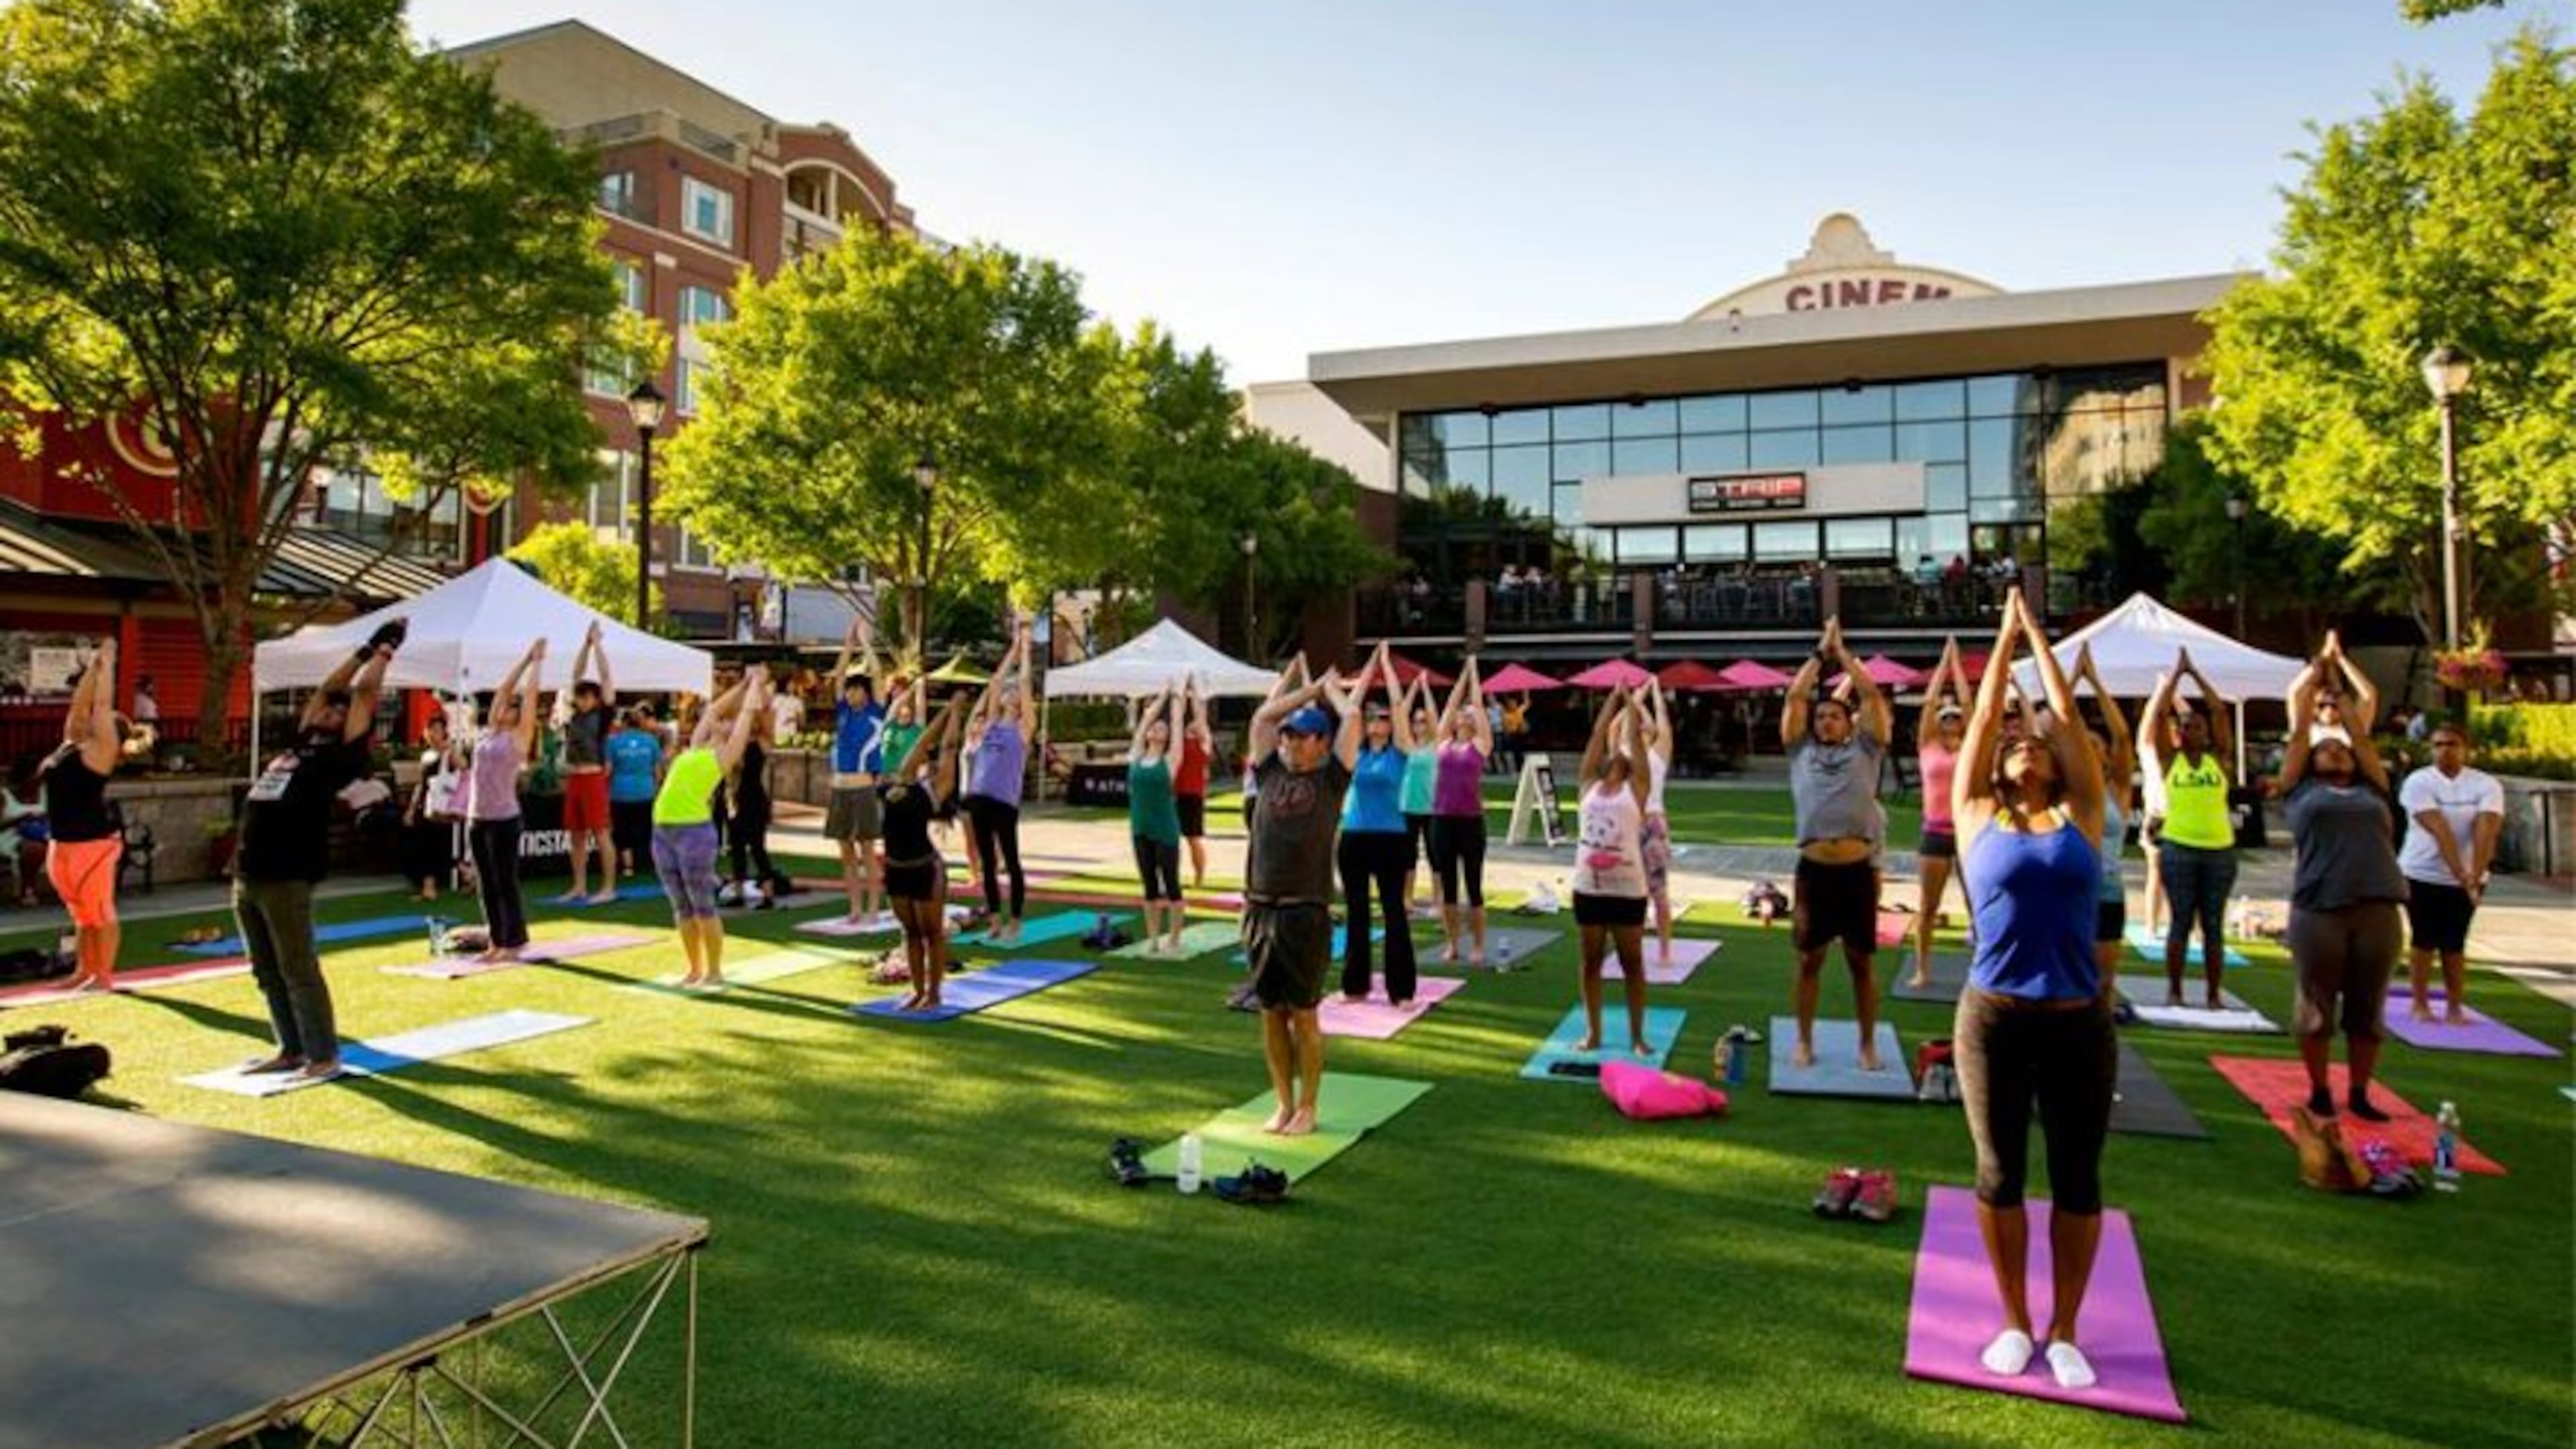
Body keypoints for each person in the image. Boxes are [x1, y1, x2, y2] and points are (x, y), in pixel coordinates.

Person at [1950, 586, 2114, 1393]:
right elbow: (1982, 724)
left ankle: (2067, 1327)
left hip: (2080, 1021)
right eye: (2013, 745)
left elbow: (2071, 723)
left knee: (2078, 1177)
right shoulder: (1978, 810)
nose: (2022, 746)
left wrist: (2037, 641)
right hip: (1995, 1020)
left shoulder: (2082, 816)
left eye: (2033, 744)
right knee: (1999, 1172)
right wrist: (2000, 642)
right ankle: (2015, 1319)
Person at [235, 621, 402, 1079]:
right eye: (325, 709)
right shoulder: (300, 742)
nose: (327, 710)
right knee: (265, 970)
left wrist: (384, 653)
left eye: (336, 711)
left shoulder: (342, 753)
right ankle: (290, 1049)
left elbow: (363, 695)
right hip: (250, 869)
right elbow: (329, 688)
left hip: (289, 869)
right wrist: (362, 649)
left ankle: (323, 1055)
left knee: (298, 969)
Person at [2276, 633, 2406, 1121]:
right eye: (2326, 750)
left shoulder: (2373, 789)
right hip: (2319, 908)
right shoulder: (2299, 790)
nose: (2335, 752)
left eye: (2343, 752)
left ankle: (2359, 1091)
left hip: (2377, 906)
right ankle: (2319, 1090)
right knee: (2315, 1009)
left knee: (2367, 1011)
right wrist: (2318, 672)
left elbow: (2363, 734)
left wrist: (2341, 677)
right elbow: (2297, 731)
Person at [1239, 658, 1360, 1134]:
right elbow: (1262, 719)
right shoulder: (1268, 772)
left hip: (1304, 914)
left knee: (1304, 1016)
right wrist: (1307, 690)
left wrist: (1331, 693)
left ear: (1322, 745)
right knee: (1270, 1014)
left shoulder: (1331, 780)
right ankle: (1283, 1103)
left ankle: (1309, 1107)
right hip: (1259, 908)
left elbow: (1350, 719)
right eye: (1288, 736)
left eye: (1300, 736)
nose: (1288, 742)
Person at [1782, 617, 1893, 1070]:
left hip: (1856, 871)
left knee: (1861, 965)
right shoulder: (1800, 752)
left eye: (1833, 715)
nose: (1824, 720)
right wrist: (1818, 653)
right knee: (1809, 962)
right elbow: (1794, 697)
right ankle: (1804, 1041)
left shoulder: (1866, 749)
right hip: (1813, 872)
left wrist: (1843, 654)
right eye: (1820, 716)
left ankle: (1867, 1045)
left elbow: (1871, 696)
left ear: (1848, 723)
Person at [652, 672, 765, 989]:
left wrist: (754, 690)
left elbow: (743, 719)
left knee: (702, 904)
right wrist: (742, 686)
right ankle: (693, 969)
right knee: (681, 905)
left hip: (693, 834)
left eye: (729, 724)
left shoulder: (724, 756)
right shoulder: (696, 747)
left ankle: (714, 970)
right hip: (663, 831)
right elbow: (714, 711)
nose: (722, 722)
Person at [2140, 649, 2236, 1010]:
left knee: (2213, 925)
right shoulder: (2169, 761)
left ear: (2206, 732)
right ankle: (2175, 991)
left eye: (2195, 725)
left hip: (2220, 851)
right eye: (2183, 726)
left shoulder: (2220, 759)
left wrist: (2195, 674)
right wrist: (2173, 680)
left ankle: (2213, 995)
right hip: (2179, 847)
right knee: (2180, 921)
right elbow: (2158, 718)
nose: (2187, 729)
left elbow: (2221, 712)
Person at [2398, 718, 2504, 1024]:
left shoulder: (2486, 785)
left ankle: (2455, 1006)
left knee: (2454, 943)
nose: (2445, 751)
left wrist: (2476, 873)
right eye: (2438, 745)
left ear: (2466, 749)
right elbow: (2438, 828)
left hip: (2471, 877)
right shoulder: (2419, 782)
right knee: (2424, 939)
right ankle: (2420, 1003)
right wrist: (2461, 873)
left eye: (2452, 744)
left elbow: (2487, 828)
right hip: (2422, 873)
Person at [1572, 685, 1655, 1054]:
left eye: (1621, 754)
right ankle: (1593, 1033)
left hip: (1626, 889)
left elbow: (1636, 742)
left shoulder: (1636, 788)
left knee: (1631, 962)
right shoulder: (1588, 784)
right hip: (1588, 887)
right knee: (1590, 962)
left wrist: (1631, 704)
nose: (1615, 756)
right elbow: (1593, 737)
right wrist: (1610, 700)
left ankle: (1638, 1037)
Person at [41, 639, 125, 991]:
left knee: (100, 912)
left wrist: (110, 663)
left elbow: (102, 705)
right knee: (81, 914)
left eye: (99, 721)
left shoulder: (101, 754)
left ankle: (102, 976)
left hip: (92, 844)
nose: (89, 719)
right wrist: (94, 667)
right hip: (62, 841)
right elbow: (81, 704)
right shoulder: (71, 746)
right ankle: (83, 970)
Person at [1338, 643, 1418, 1002]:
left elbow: (1401, 708)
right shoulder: (1355, 753)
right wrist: (1367, 670)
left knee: (1393, 912)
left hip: (1391, 839)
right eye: (1374, 718)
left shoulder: (1400, 754)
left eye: (1383, 718)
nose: (1378, 723)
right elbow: (1350, 710)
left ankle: (1400, 990)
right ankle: (1355, 986)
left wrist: (1387, 668)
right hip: (1354, 837)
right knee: (1357, 912)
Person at [883, 693, 971, 1010]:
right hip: (895, 867)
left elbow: (948, 748)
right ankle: (917, 991)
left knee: (932, 933)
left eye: (934, 763)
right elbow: (922, 743)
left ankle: (934, 994)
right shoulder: (905, 777)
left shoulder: (936, 791)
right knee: (910, 933)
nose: (929, 763)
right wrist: (946, 709)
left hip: (924, 868)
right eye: (928, 761)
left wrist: (957, 713)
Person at [464, 639, 544, 963]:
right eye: (502, 706)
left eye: (511, 707)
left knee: (504, 881)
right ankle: (497, 940)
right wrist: (524, 659)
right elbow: (503, 689)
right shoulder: (486, 734)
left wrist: (537, 665)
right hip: (477, 816)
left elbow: (530, 699)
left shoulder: (518, 737)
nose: (504, 709)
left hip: (504, 818)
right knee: (486, 882)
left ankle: (513, 941)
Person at [962, 621, 1037, 942]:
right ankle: (994, 918)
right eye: (1007, 694)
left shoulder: (1022, 729)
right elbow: (995, 682)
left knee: (1011, 859)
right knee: (987, 862)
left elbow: (1022, 682)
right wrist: (1012, 650)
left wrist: (1027, 650)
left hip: (1004, 801)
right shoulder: (991, 724)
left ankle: (1016, 918)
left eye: (1013, 694)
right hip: (979, 797)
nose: (1008, 694)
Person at [2071, 645, 2138, 979]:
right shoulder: (2065, 790)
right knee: (2066, 979)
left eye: (2095, 746)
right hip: (2067, 888)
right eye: (2082, 747)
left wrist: (2095, 683)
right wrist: (2068, 683)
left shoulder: (2117, 791)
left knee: (2102, 982)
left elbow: (2123, 737)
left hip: (2108, 890)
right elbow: (2058, 726)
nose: (2089, 751)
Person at [1907, 638, 1970, 989]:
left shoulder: (1972, 745)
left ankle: (1982, 972)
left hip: (1967, 833)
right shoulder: (1929, 747)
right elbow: (1929, 704)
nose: (1950, 721)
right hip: (1935, 832)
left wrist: (1957, 668)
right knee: (1928, 906)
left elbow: (1969, 704)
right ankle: (1922, 969)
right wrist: (1943, 665)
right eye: (1945, 719)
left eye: (1955, 719)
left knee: (1979, 908)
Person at [825, 618, 890, 926]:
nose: (851, 694)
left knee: (867, 850)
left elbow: (877, 673)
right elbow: (838, 675)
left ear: (865, 693)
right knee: (846, 853)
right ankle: (854, 907)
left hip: (862, 787)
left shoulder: (876, 711)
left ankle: (874, 908)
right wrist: (847, 642)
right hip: (840, 788)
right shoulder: (842, 714)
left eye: (856, 690)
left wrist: (864, 642)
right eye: (849, 691)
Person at [553, 622, 620, 904]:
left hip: (593, 778)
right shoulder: (573, 715)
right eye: (579, 697)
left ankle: (608, 888)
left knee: (601, 833)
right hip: (575, 779)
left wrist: (598, 645)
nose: (581, 701)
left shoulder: (602, 715)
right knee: (576, 836)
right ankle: (579, 886)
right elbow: (574, 676)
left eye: (586, 697)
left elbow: (605, 676)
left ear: (595, 699)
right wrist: (585, 645)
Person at [1128, 678, 1189, 956]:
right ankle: (1153, 939)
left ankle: (1174, 938)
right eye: (1155, 727)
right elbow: (1146, 719)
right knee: (1149, 886)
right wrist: (1164, 694)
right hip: (1140, 828)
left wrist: (1178, 699)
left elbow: (1176, 726)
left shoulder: (1170, 760)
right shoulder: (1137, 756)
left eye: (1161, 728)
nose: (1157, 729)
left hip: (1165, 830)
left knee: (1172, 885)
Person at [723, 671, 788, 908]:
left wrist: (758, 687)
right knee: (737, 847)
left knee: (757, 847)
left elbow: (767, 714)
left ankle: (768, 895)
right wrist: (744, 686)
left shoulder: (760, 742)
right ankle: (739, 892)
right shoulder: (734, 743)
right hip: (735, 797)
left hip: (753, 798)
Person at [1637, 680, 1680, 965]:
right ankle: (1635, 947)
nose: (1642, 727)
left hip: (1652, 822)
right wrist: (1636, 698)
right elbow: (1618, 722)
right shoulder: (1624, 753)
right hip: (1629, 822)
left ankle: (1665, 950)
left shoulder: (1657, 755)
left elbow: (1664, 723)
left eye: (1645, 726)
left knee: (1659, 891)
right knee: (1632, 893)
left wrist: (1654, 690)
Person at [398, 711, 461, 902]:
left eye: (437, 730)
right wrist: (411, 808)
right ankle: (435, 883)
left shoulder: (449, 753)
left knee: (436, 846)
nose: (433, 734)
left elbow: (463, 769)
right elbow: (421, 784)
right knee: (427, 847)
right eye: (430, 730)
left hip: (442, 805)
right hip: (426, 806)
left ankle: (432, 886)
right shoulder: (426, 755)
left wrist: (449, 751)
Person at [606, 706, 665, 881]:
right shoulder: (651, 741)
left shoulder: (613, 742)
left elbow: (608, 770)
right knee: (648, 829)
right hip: (646, 791)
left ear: (623, 723)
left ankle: (628, 867)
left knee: (622, 831)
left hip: (620, 792)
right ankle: (654, 863)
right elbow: (658, 771)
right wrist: (658, 788)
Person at [1398, 676, 1440, 916]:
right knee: (1407, 858)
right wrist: (1412, 688)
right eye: (1417, 721)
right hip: (1407, 809)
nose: (1420, 725)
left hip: (1431, 809)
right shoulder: (1407, 746)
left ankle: (1438, 901)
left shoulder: (1436, 745)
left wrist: (1425, 687)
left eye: (1424, 721)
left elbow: (1434, 715)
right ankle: (1407, 900)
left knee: (1436, 858)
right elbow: (1400, 714)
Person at [1175, 676, 1214, 890]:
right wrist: (1182, 696)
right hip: (1176, 793)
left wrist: (1195, 695)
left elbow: (1201, 716)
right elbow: (1177, 718)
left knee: (1193, 838)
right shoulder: (1179, 741)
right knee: (1171, 840)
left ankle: (1199, 877)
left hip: (1192, 794)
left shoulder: (1203, 745)